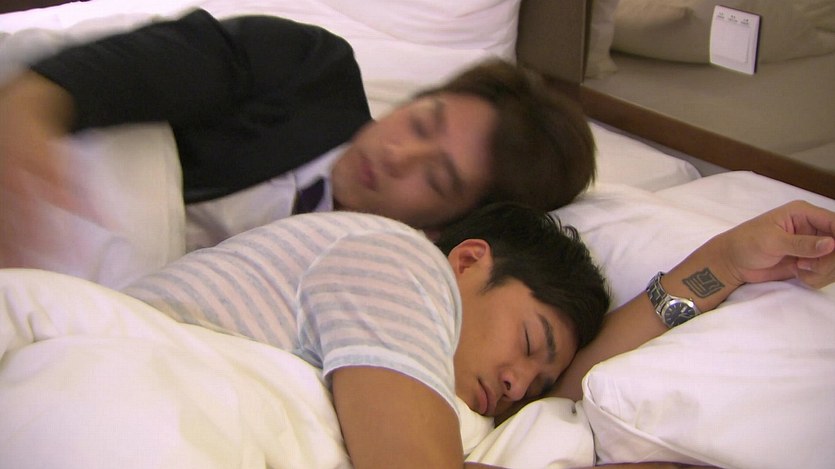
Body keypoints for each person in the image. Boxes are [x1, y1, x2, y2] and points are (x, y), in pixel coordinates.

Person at [117, 199, 835, 468]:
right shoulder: (396, 260)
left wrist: (723, 265)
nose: (518, 384)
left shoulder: (437, 382)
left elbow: (576, 384)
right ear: (467, 261)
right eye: (527, 341)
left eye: (533, 381)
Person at [0, 8, 595, 258]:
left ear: (445, 225)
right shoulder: (309, 69)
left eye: (436, 178)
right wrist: (34, 104)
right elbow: (161, 61)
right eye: (421, 121)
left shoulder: (366, 267)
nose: (398, 153)